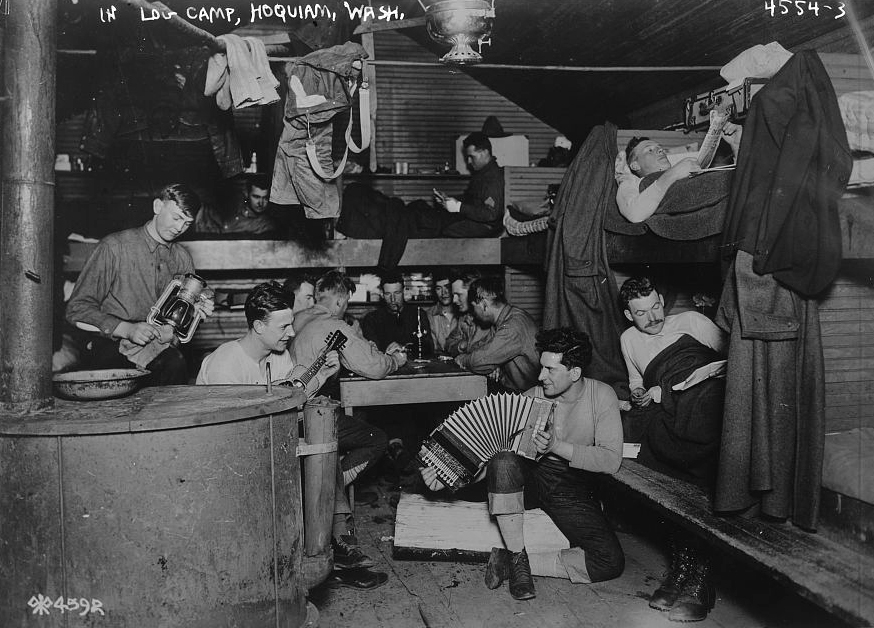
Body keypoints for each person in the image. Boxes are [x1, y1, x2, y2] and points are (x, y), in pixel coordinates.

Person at [197, 282, 388, 590]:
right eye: (283, 326)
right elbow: (232, 438)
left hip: (270, 444)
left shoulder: (279, 356)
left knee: (324, 448)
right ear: (259, 326)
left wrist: (322, 377)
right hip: (232, 465)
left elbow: (292, 405)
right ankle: (330, 552)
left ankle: (329, 552)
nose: (290, 332)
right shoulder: (225, 365)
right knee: (320, 461)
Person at [421, 328, 625, 600]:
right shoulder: (530, 399)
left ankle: (511, 562)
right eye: (541, 368)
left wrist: (556, 446)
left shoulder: (602, 396)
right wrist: (449, 478)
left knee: (609, 562)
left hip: (571, 486)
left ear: (574, 373)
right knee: (504, 459)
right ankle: (518, 559)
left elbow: (611, 460)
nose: (541, 377)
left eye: (550, 370)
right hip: (530, 478)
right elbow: (493, 459)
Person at [618, 276, 727, 622]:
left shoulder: (692, 322)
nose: (652, 318)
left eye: (655, 307)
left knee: (705, 410)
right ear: (627, 314)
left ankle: (700, 579)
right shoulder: (628, 339)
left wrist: (678, 388)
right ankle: (684, 567)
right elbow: (637, 378)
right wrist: (639, 391)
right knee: (658, 457)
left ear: (662, 300)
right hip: (666, 409)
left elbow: (733, 363)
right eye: (641, 313)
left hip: (703, 397)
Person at [66, 183, 214, 385]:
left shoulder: (182, 258)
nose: (180, 228)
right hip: (110, 346)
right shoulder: (114, 247)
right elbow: (77, 310)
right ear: (157, 207)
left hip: (159, 349)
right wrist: (126, 329)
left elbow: (181, 318)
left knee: (175, 365)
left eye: (187, 223)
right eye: (176, 217)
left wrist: (196, 311)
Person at [615, 123, 742, 224]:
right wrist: (673, 173)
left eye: (660, 148)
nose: (660, 150)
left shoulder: (684, 171)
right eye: (649, 150)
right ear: (635, 165)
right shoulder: (632, 183)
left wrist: (738, 149)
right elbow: (634, 214)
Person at [454, 276, 539, 392]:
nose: (474, 313)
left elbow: (478, 362)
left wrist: (462, 359)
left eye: (474, 308)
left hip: (527, 395)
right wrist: (492, 363)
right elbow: (480, 349)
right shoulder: (504, 319)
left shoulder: (512, 327)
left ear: (483, 305)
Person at [434, 132, 505, 237]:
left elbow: (490, 214)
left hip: (487, 227)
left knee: (443, 229)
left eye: (472, 157)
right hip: (477, 221)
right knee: (437, 221)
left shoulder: (492, 177)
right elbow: (470, 199)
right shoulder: (481, 174)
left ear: (485, 153)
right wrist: (448, 199)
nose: (469, 161)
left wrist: (458, 207)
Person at [360, 270, 432, 358]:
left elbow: (429, 346)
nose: (393, 299)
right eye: (388, 294)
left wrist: (405, 348)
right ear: (382, 294)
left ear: (404, 291)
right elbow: (370, 351)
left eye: (397, 293)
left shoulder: (418, 314)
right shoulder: (372, 319)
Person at [194, 174, 279, 236]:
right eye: (256, 197)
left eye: (265, 198)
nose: (261, 203)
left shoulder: (266, 225)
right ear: (246, 194)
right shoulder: (232, 207)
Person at [444, 269, 489, 357]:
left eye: (459, 295)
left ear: (474, 292)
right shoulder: (464, 318)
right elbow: (448, 343)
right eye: (453, 295)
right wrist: (460, 346)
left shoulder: (488, 318)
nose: (454, 300)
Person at [425, 270, 457, 354]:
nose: (444, 292)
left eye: (447, 287)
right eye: (439, 288)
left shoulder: (463, 314)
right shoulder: (428, 315)